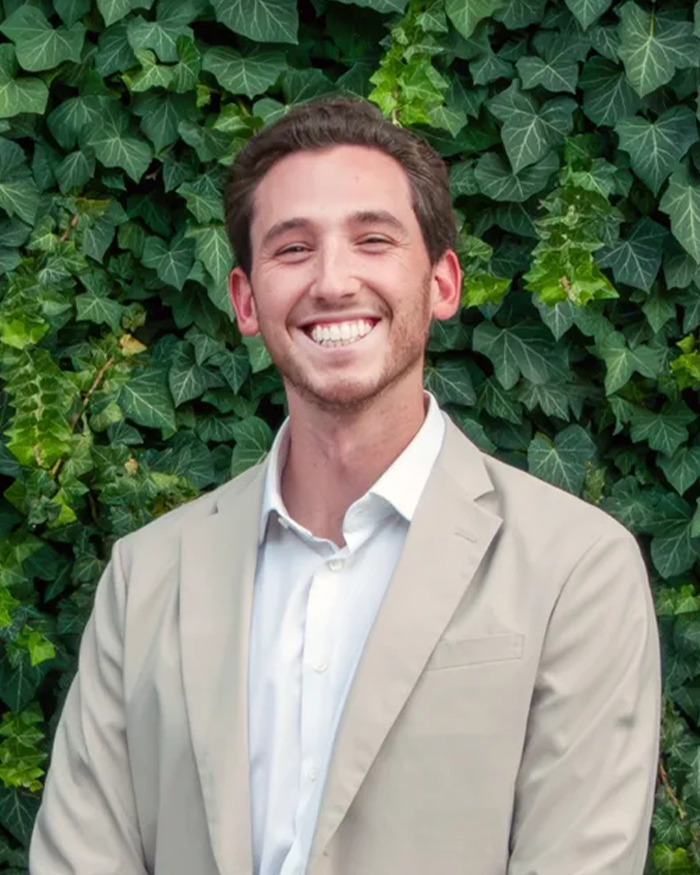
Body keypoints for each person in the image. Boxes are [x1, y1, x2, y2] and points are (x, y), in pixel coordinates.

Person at [30, 97, 660, 875]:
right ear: (246, 300)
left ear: (442, 282)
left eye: (372, 239)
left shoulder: (576, 568)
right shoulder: (146, 575)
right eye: (293, 248)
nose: (333, 280)